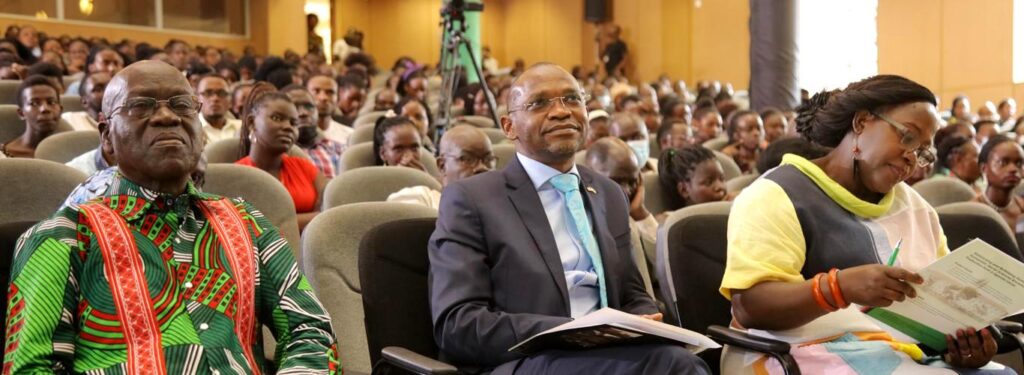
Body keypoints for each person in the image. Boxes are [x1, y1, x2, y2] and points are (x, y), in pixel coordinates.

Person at [3, 60, 341, 373]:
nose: (168, 117)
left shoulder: (246, 221)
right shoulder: (63, 237)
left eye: (181, 105)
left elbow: (309, 328)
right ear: (107, 138)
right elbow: (33, 367)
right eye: (140, 106)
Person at [429, 63, 710, 374]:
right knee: (672, 367)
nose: (561, 112)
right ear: (509, 127)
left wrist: (644, 319)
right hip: (525, 361)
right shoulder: (472, 199)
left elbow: (632, 294)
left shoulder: (608, 193)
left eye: (572, 99)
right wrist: (570, 331)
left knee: (680, 361)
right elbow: (457, 323)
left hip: (612, 353)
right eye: (539, 103)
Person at [720, 75, 1011, 374]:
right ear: (861, 123)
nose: (912, 157)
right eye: (907, 137)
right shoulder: (776, 194)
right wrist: (839, 287)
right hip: (791, 353)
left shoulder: (917, 209)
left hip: (897, 353)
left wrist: (961, 347)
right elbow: (751, 307)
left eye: (923, 152)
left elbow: (940, 311)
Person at [236, 83, 326, 231]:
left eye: (293, 122)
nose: (288, 127)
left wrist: (284, 223)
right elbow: (256, 229)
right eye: (277, 118)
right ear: (252, 123)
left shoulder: (303, 166)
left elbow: (330, 207)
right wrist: (314, 217)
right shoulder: (237, 174)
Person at [387, 125, 495, 209]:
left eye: (488, 159)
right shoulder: (420, 199)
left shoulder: (503, 203)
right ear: (442, 166)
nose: (482, 167)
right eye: (468, 159)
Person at [585, 137, 658, 243]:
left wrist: (640, 213)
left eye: (632, 182)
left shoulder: (635, 211)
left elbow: (663, 256)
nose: (627, 190)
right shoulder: (585, 219)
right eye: (617, 182)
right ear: (589, 176)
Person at [282, 84, 347, 179]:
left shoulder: (339, 149)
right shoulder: (277, 156)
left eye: (309, 107)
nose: (303, 113)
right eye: (294, 107)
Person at [657, 145, 729, 219]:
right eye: (708, 182)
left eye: (722, 179)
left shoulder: (732, 208)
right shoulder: (672, 221)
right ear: (684, 190)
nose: (720, 186)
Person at [0, 75, 63, 158]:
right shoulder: (3, 154)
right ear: (21, 113)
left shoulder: (73, 151)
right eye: (34, 103)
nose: (45, 109)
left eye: (51, 102)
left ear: (61, 110)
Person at [974, 135, 1024, 234]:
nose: (1013, 169)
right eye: (1003, 162)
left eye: (1018, 163)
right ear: (984, 168)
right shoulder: (970, 211)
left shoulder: (1022, 207)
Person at [307, 75, 353, 145]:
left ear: (337, 98)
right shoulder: (294, 136)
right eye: (316, 91)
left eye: (330, 92)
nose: (323, 97)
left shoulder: (349, 135)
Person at [197, 75, 242, 143]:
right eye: (208, 93)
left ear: (230, 100)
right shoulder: (190, 131)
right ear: (196, 98)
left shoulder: (242, 128)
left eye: (221, 93)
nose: (215, 98)